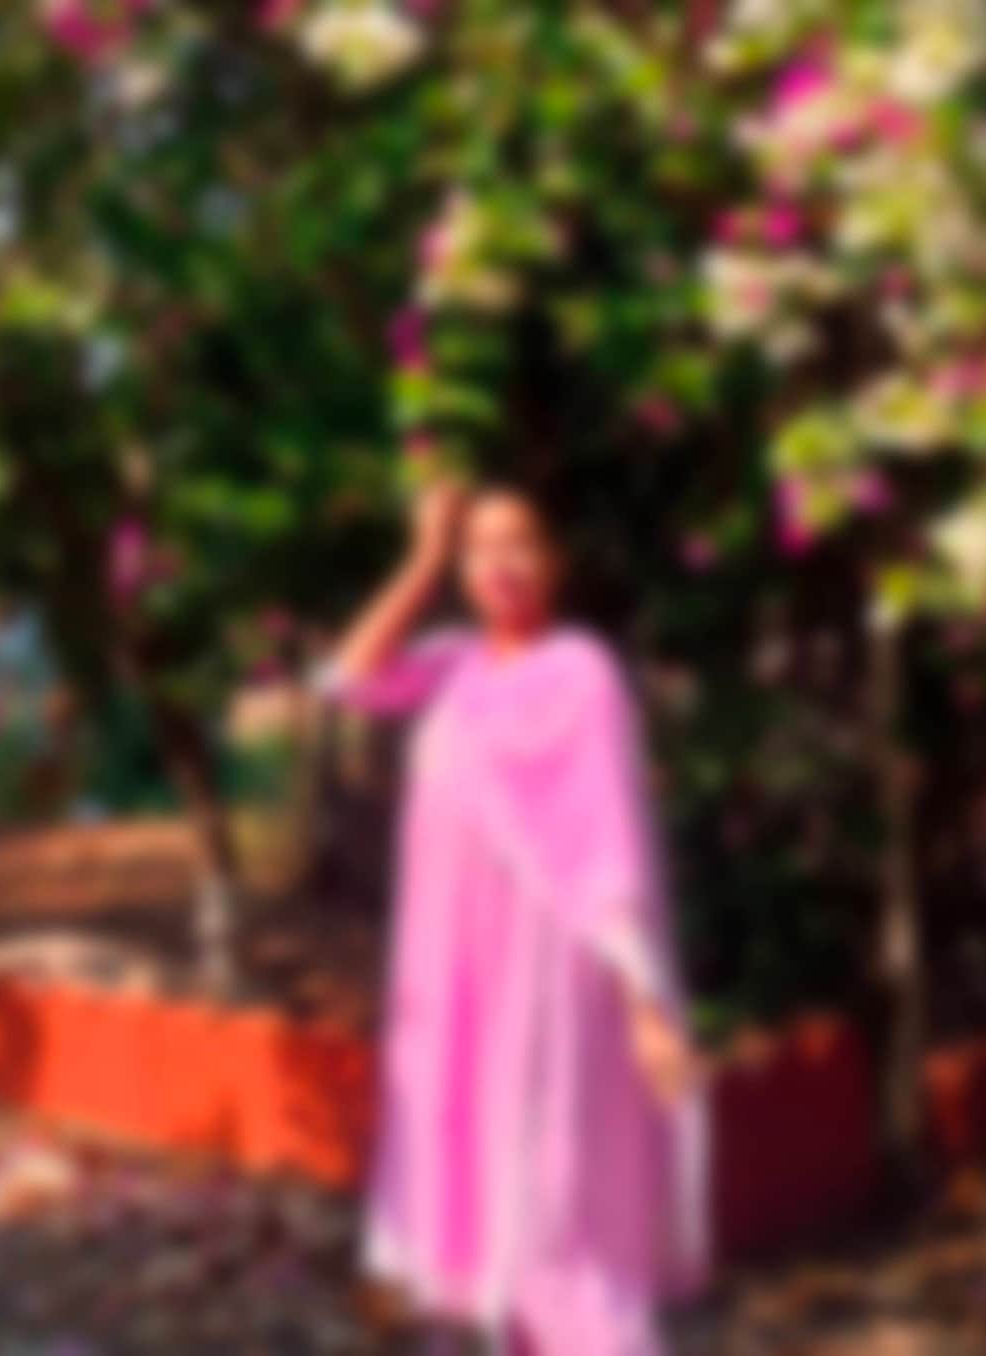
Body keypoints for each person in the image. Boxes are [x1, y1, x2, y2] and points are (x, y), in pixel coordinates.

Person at [323, 480, 711, 1356]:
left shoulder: (581, 672)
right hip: (452, 963)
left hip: (546, 960)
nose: (499, 564)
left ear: (555, 561)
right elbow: (347, 678)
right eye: (479, 548)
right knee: (477, 1157)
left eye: (519, 543)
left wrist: (644, 1006)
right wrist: (423, 556)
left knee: (547, 1172)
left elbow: (608, 839)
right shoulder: (454, 664)